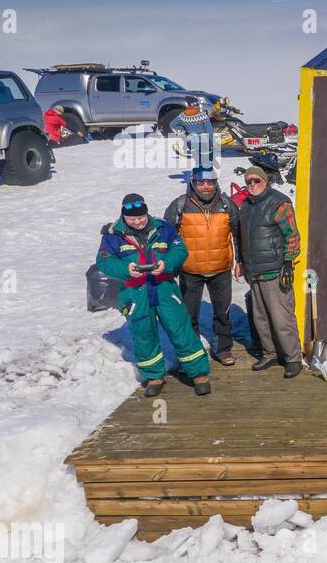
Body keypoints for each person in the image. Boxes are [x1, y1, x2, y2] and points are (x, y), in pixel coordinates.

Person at [95, 193, 211, 397]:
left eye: (141, 217)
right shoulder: (113, 235)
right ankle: (154, 376)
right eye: (132, 219)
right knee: (143, 334)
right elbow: (104, 261)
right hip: (134, 293)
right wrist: (126, 268)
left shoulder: (163, 228)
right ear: (124, 216)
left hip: (164, 288)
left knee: (180, 329)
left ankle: (199, 373)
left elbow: (180, 250)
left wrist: (167, 264)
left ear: (147, 213)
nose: (138, 222)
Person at [163, 167, 241, 367]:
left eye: (210, 182)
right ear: (193, 183)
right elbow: (166, 239)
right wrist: (169, 266)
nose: (206, 186)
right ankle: (193, 350)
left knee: (222, 312)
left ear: (215, 183)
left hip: (221, 268)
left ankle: (223, 349)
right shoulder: (180, 205)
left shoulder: (226, 204)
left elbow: (239, 235)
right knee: (189, 314)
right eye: (201, 182)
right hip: (190, 270)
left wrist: (239, 261)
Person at [236, 165, 303, 377]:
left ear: (265, 181)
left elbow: (292, 236)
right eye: (249, 182)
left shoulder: (279, 203)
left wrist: (287, 262)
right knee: (260, 318)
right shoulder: (246, 206)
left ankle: (293, 357)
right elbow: (241, 237)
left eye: (257, 180)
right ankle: (270, 352)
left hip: (274, 270)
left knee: (281, 318)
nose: (252, 185)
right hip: (253, 270)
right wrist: (240, 261)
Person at [169, 96, 217, 171]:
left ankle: (199, 179)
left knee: (198, 161)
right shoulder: (202, 115)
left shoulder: (183, 116)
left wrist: (185, 129)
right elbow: (209, 131)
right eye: (198, 104)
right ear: (195, 105)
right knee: (207, 162)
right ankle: (208, 179)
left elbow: (172, 124)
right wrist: (212, 143)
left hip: (191, 141)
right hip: (204, 141)